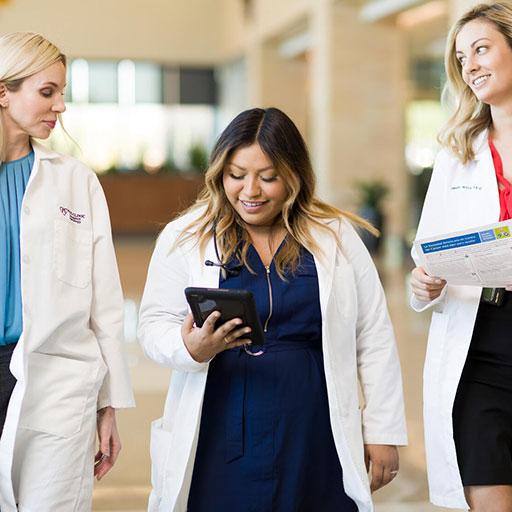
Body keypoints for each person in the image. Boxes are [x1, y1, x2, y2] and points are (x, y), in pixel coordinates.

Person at [138, 107, 407, 512]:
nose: (251, 191)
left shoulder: (333, 236)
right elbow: (153, 322)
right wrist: (190, 346)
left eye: (268, 177)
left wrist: (382, 430)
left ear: (294, 176)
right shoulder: (186, 236)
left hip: (315, 424)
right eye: (236, 175)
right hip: (223, 423)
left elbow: (373, 334)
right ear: (219, 173)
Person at [0, 32, 135, 511]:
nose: (61, 106)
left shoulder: (76, 181)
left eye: (61, 92)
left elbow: (105, 302)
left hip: (57, 379)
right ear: (3, 92)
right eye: (47, 91)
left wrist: (108, 403)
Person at [411, 3, 512, 510]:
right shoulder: (459, 152)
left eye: (481, 49)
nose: (470, 65)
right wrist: (423, 282)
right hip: (481, 343)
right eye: (461, 57)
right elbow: (426, 249)